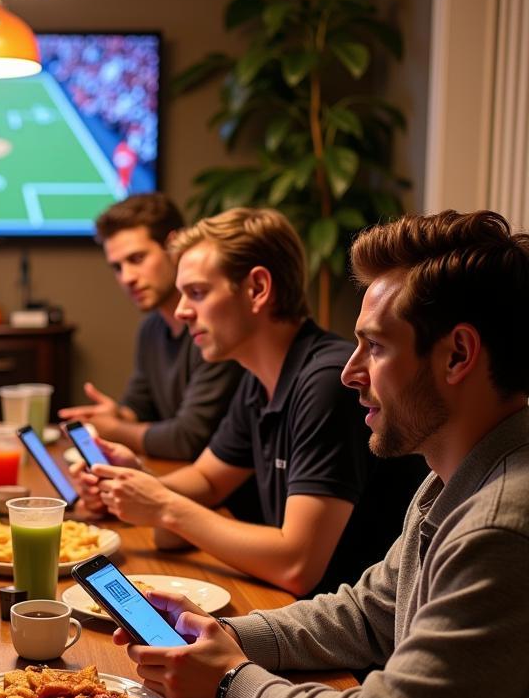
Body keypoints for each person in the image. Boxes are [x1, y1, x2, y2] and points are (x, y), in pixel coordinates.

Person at [119, 209, 529, 698]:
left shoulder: (504, 526)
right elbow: (367, 611)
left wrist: (231, 685)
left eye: (374, 347)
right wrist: (228, 635)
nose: (351, 370)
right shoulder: (451, 481)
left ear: (458, 355)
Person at [73, 207, 423, 597]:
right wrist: (134, 482)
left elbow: (297, 565)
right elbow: (207, 479)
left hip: (347, 635)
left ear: (257, 289)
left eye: (198, 293)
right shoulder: (260, 378)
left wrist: (163, 505)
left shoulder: (326, 381)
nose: (183, 311)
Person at [58, 192, 242, 460]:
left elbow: (187, 438)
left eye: (136, 259)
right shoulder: (152, 328)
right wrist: (116, 415)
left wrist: (115, 428)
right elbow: (138, 406)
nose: (127, 278)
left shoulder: (214, 327)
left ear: (175, 245)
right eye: (117, 267)